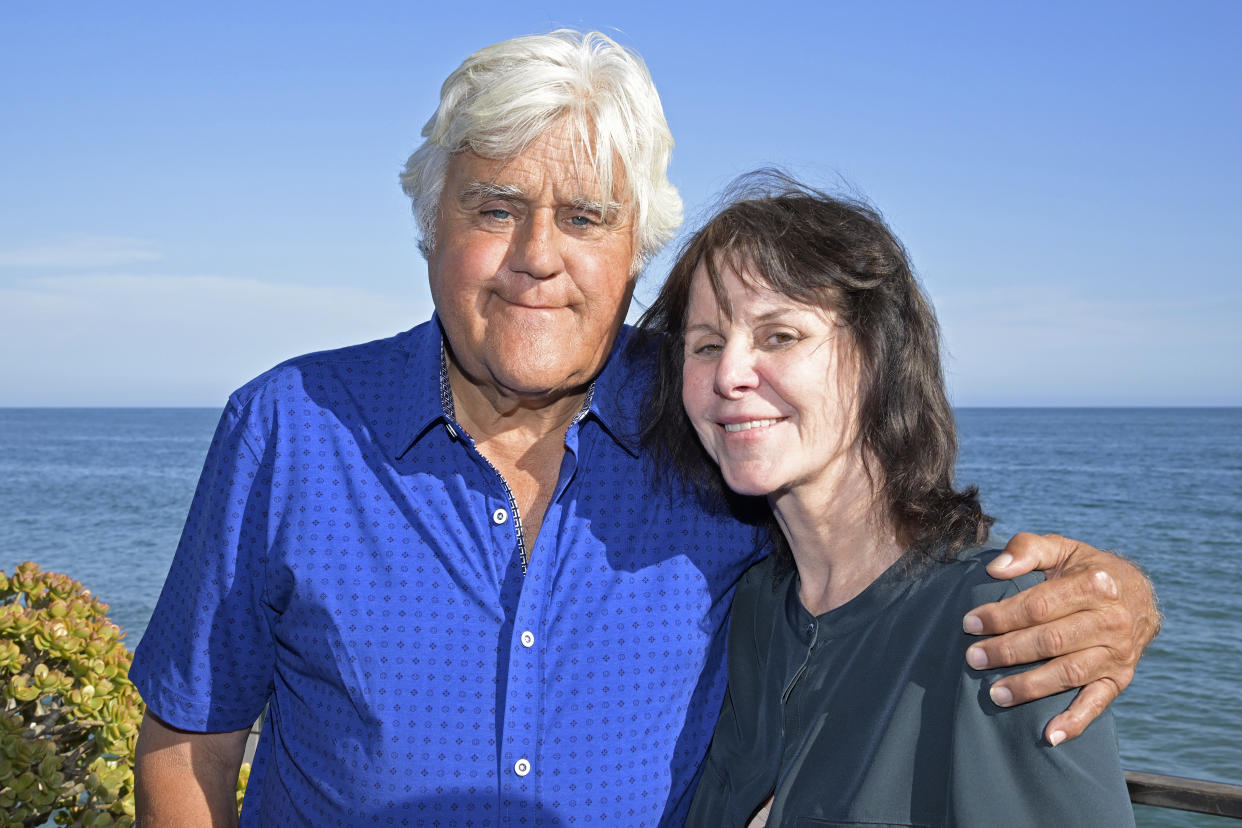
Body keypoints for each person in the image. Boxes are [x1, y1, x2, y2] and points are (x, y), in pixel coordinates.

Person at [130, 31, 1158, 826]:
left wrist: (1111, 598)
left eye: (584, 218)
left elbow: (873, 571)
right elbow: (189, 741)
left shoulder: (709, 424)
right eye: (495, 209)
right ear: (429, 226)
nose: (539, 254)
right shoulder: (290, 427)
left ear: (634, 251)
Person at [637, 172, 1135, 826]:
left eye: (779, 335)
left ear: (877, 354)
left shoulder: (1002, 626)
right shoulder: (755, 610)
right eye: (706, 345)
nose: (729, 374)